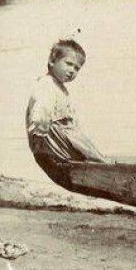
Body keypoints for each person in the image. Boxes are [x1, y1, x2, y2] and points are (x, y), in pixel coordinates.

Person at [26, 38, 108, 188]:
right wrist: (40, 137)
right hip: (51, 148)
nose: (72, 71)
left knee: (87, 147)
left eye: (77, 68)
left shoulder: (58, 87)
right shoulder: (47, 86)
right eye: (68, 64)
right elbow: (40, 113)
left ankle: (98, 161)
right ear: (52, 61)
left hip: (59, 144)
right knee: (92, 154)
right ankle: (101, 164)